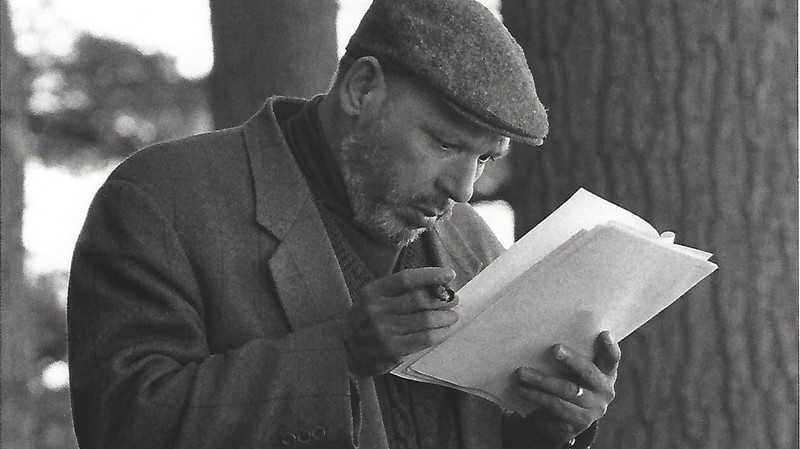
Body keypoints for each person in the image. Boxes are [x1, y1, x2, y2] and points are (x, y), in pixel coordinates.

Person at [67, 0, 620, 448]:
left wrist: (543, 430)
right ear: (362, 88)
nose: (462, 188)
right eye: (445, 142)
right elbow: (123, 425)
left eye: (484, 159)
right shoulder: (165, 198)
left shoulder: (471, 241)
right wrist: (339, 353)